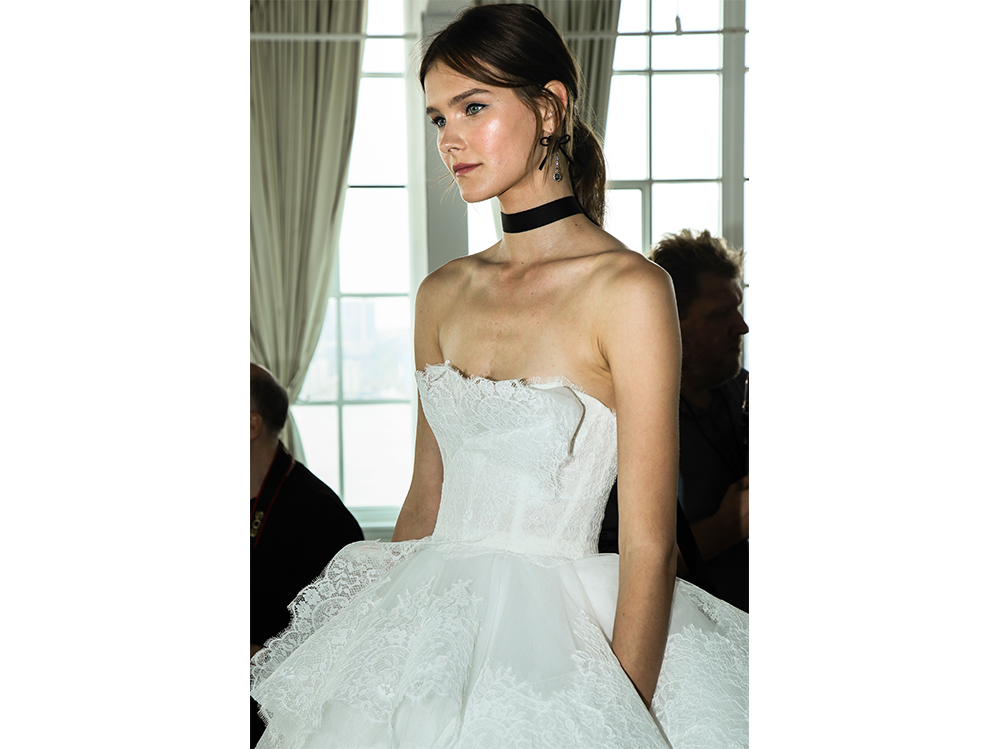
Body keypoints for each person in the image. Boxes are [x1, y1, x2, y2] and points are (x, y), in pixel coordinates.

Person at [250, 6, 748, 747]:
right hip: (429, 636)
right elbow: (425, 500)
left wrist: (619, 723)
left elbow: (652, 546)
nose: (448, 138)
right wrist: (372, 657)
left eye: (473, 107)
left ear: (549, 108)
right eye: (437, 117)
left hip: (565, 647)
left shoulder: (631, 291)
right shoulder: (441, 294)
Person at [599, 229, 750, 612]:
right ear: (669, 324)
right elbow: (616, 570)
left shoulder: (743, 389)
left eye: (738, 309)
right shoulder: (621, 421)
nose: (742, 327)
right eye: (720, 315)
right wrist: (729, 526)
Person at [250, 363, 364, 746]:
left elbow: (345, 648)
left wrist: (259, 657)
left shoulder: (323, 519)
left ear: (251, 425)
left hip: (274, 717)